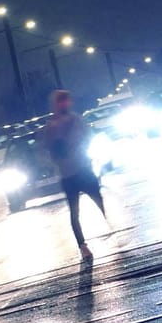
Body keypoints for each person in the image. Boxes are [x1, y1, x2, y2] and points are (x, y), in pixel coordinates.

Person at [40, 89, 108, 261]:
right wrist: (56, 155)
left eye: (66, 100)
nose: (64, 104)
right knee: (74, 211)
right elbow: (47, 149)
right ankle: (82, 245)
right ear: (55, 104)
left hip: (83, 168)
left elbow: (88, 138)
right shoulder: (51, 127)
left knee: (98, 198)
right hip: (67, 174)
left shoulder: (77, 120)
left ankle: (109, 223)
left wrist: (84, 153)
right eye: (60, 101)